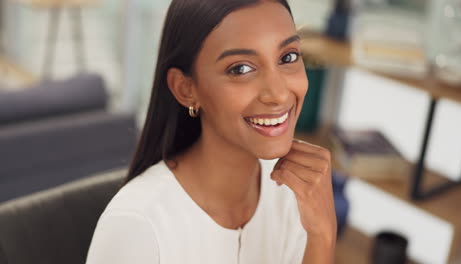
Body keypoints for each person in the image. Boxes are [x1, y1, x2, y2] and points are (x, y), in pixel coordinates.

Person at [86, 0, 337, 263]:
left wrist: (322, 233)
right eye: (240, 68)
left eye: (288, 57)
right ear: (185, 89)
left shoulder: (295, 193)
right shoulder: (137, 227)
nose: (278, 94)